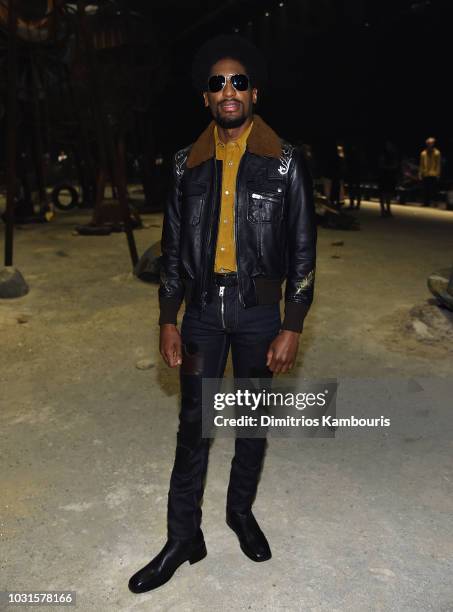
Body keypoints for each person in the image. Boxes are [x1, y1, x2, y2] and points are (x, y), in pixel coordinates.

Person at [128, 34, 317, 593]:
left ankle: (239, 512)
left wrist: (292, 324)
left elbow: (303, 252)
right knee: (195, 428)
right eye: (217, 83)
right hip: (204, 314)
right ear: (205, 100)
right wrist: (168, 316)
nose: (228, 90)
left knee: (251, 424)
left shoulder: (284, 163)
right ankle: (183, 536)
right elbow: (171, 244)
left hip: (260, 314)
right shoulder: (186, 164)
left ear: (254, 93)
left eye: (238, 81)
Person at [378, 141, 400, 217]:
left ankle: (388, 209)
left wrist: (391, 168)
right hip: (383, 176)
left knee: (388, 193)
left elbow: (396, 165)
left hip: (390, 176)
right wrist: (390, 167)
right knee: (382, 193)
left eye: (390, 145)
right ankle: (382, 210)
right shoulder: (383, 154)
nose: (389, 147)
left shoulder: (394, 155)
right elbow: (381, 165)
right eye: (388, 145)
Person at [419, 137, 441, 207]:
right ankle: (426, 202)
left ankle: (435, 202)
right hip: (425, 173)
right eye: (428, 143)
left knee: (434, 189)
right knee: (425, 189)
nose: (430, 144)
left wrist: (438, 173)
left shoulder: (437, 153)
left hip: (433, 173)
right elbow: (421, 164)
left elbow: (438, 164)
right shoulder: (423, 153)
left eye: (431, 143)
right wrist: (420, 173)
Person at [345, 143, 365, 209]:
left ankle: (353, 204)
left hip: (353, 173)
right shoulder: (359, 154)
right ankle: (356, 204)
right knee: (356, 189)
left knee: (353, 189)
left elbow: (348, 164)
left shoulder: (352, 154)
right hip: (356, 174)